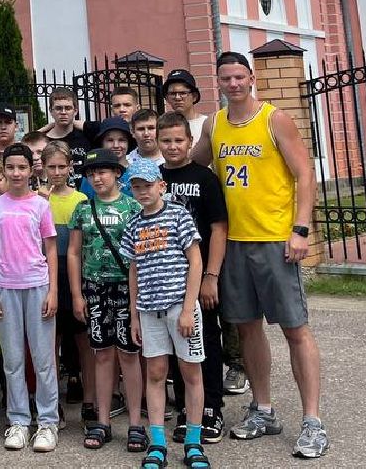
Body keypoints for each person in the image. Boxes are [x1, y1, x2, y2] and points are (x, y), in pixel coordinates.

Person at [195, 51, 328, 458]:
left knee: (294, 327)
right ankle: (263, 408)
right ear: (217, 82)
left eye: (239, 77)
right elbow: (189, 162)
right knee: (248, 327)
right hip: (233, 241)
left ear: (251, 78)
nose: (233, 84)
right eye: (225, 78)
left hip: (275, 240)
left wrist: (300, 230)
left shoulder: (274, 119)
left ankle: (312, 421)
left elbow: (305, 174)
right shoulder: (214, 124)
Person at [121, 160, 207, 469]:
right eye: (136, 186)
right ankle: (157, 443)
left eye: (147, 184)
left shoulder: (179, 215)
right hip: (149, 309)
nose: (142, 191)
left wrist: (188, 309)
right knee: (156, 373)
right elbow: (133, 271)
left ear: (162, 185)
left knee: (191, 373)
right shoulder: (133, 225)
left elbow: (195, 261)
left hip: (180, 309)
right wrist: (133, 316)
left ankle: (194, 442)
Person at [156, 109, 229, 444]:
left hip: (200, 278)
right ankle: (187, 409)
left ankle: (211, 407)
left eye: (178, 140)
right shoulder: (154, 179)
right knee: (175, 345)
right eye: (166, 140)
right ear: (158, 143)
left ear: (190, 142)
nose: (172, 147)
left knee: (206, 343)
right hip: (165, 279)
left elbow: (218, 227)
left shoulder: (205, 178)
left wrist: (211, 276)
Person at [0, 143, 60, 453]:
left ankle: (47, 422)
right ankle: (18, 421)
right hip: (5, 289)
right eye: (10, 168)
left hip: (38, 287)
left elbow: (51, 248)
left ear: (31, 170)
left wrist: (53, 290)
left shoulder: (41, 205)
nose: (16, 173)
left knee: (43, 360)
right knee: (12, 361)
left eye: (21, 167)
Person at [69, 148, 145, 454]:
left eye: (102, 171)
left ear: (116, 174)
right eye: (91, 173)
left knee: (129, 355)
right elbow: (74, 253)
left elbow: (141, 255)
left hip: (126, 289)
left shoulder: (133, 207)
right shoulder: (83, 209)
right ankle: (102, 421)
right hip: (94, 289)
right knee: (101, 353)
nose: (97, 178)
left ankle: (137, 422)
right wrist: (76, 294)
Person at [43, 143, 90, 416]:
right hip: (47, 272)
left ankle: (88, 396)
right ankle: (52, 402)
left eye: (62, 166)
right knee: (51, 339)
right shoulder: (39, 199)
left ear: (70, 167)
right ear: (44, 168)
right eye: (52, 167)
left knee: (82, 337)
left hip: (74, 271)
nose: (57, 172)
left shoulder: (80, 200)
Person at [40, 86, 90, 189]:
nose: (63, 112)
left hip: (84, 197)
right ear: (51, 111)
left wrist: (84, 125)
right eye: (58, 108)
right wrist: (40, 131)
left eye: (68, 108)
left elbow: (104, 128)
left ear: (75, 111)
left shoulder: (86, 137)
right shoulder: (43, 141)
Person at [80, 117, 134, 199]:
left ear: (128, 143)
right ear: (101, 143)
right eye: (110, 140)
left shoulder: (137, 172)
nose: (116, 145)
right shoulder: (91, 175)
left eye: (122, 140)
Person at [128, 107, 164, 182]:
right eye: (141, 129)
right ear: (132, 132)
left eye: (151, 128)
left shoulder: (169, 160)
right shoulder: (127, 163)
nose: (146, 134)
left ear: (159, 130)